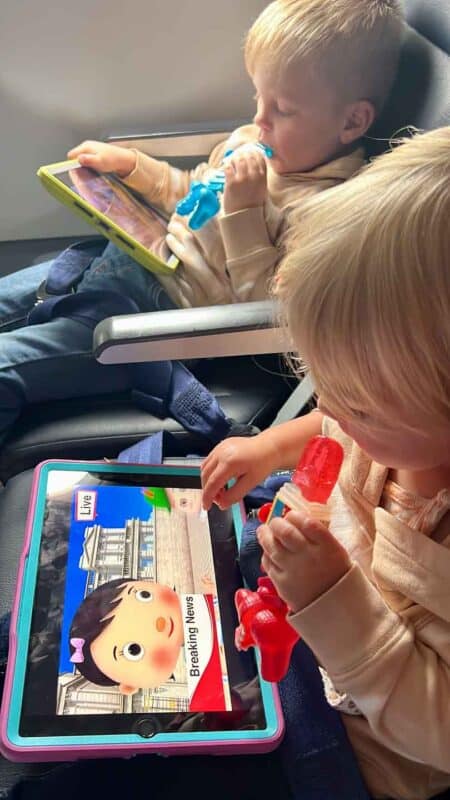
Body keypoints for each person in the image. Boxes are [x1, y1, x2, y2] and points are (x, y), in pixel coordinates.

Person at [0, 0, 404, 444]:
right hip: (128, 263)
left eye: (283, 109)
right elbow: (192, 192)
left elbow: (268, 309)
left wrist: (244, 211)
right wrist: (133, 167)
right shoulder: (259, 141)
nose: (258, 120)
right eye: (257, 96)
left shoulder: (327, 210)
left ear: (352, 121)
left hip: (155, 318)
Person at [201, 126, 450, 800]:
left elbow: (436, 726)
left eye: (360, 406)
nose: (336, 412)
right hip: (305, 590)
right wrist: (270, 448)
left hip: (355, 740)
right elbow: (333, 420)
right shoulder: (400, 421)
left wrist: (329, 598)